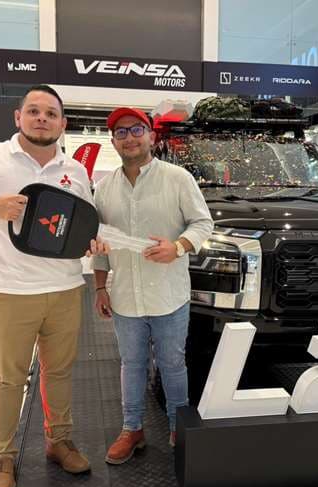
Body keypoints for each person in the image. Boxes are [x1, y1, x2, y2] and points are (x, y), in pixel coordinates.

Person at [0, 84, 96, 487]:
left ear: (63, 124)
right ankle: (3, 456)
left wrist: (92, 243)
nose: (42, 118)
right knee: (8, 379)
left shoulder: (75, 170)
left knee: (59, 371)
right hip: (11, 291)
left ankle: (59, 441)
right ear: (18, 117)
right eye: (34, 111)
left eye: (51, 113)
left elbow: (81, 227)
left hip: (66, 288)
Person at [89, 107, 213, 465]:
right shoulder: (104, 189)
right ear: (113, 141)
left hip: (169, 295)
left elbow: (202, 223)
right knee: (132, 364)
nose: (129, 137)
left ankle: (177, 426)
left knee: (173, 364)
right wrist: (100, 287)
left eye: (136, 130)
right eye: (121, 132)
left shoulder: (178, 178)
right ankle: (132, 429)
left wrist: (178, 247)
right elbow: (99, 243)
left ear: (151, 136)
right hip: (125, 296)